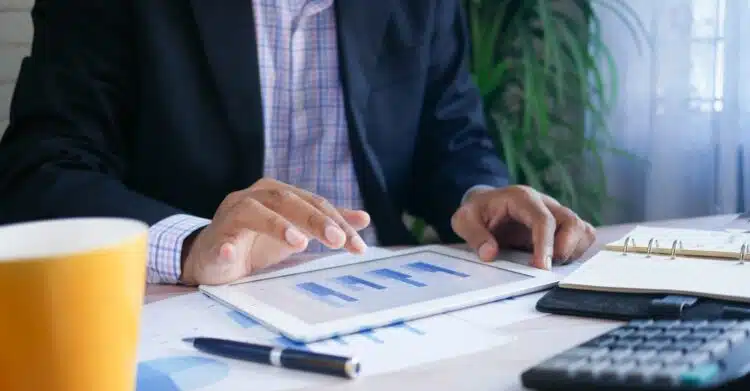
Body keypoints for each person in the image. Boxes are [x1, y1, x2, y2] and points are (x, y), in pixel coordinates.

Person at [0, 0, 595, 286]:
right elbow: (39, 171)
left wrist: (482, 194)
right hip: (188, 310)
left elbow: (450, 133)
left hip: (386, 300)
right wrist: (190, 246)